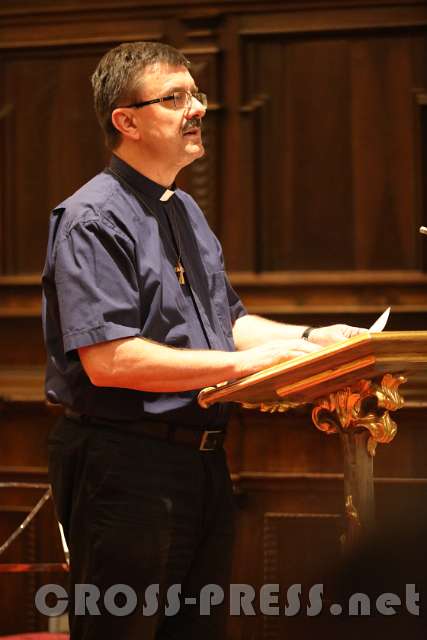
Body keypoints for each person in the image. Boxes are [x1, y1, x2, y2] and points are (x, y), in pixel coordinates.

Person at [42, 41, 365, 640]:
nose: (197, 109)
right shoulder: (92, 219)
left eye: (198, 95)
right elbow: (111, 360)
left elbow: (227, 323)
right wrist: (254, 367)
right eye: (176, 98)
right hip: (125, 464)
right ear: (127, 121)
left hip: (202, 461)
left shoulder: (183, 209)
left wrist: (314, 338)